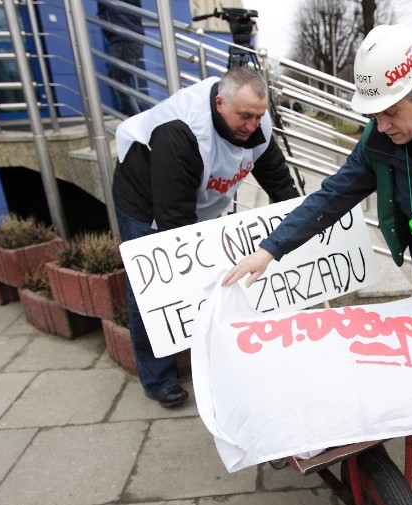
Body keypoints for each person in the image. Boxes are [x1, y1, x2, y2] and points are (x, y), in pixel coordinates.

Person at [223, 25, 412, 460]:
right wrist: (270, 249)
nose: (382, 126)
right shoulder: (380, 139)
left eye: (390, 113)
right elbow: (333, 195)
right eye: (374, 116)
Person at [113, 66, 300, 408]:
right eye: (244, 116)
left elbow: (279, 182)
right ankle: (158, 378)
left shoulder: (255, 123)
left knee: (215, 281)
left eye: (259, 116)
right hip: (144, 201)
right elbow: (174, 227)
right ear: (219, 103)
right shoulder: (180, 133)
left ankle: (220, 358)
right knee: (151, 290)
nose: (252, 126)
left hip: (195, 198)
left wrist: (297, 225)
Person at [97, 0, 145, 116]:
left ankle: (137, 120)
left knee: (119, 83)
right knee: (119, 81)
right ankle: (141, 116)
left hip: (123, 38)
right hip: (126, 36)